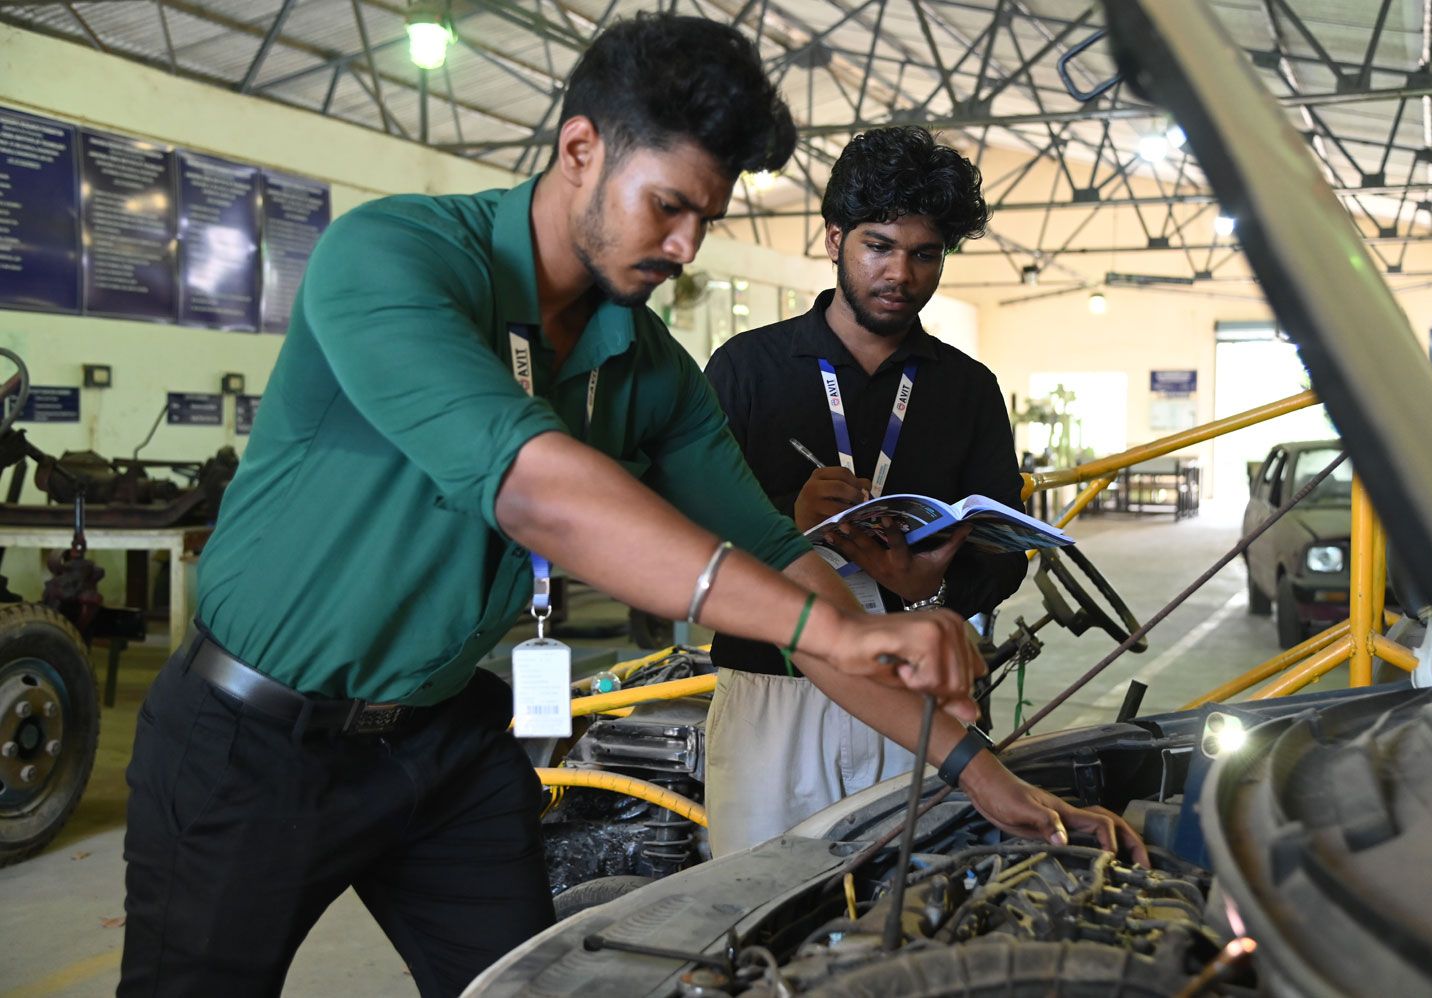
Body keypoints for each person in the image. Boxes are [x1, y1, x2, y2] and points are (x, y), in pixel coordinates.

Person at [118, 15, 1143, 997]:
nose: (689, 246)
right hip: (249, 738)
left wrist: (981, 773)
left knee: (533, 978)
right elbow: (535, 490)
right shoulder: (395, 259)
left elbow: (787, 566)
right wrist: (828, 622)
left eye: (709, 217)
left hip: (439, 736)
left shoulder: (645, 365)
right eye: (669, 206)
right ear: (580, 149)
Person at [704, 127, 1035, 854]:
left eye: (925, 255)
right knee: (753, 895)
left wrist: (928, 587)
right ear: (833, 239)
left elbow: (1006, 548)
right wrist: (785, 526)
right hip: (773, 689)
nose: (901, 275)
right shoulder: (747, 371)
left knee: (917, 895)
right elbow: (684, 535)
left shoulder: (966, 389)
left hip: (915, 686)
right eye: (879, 246)